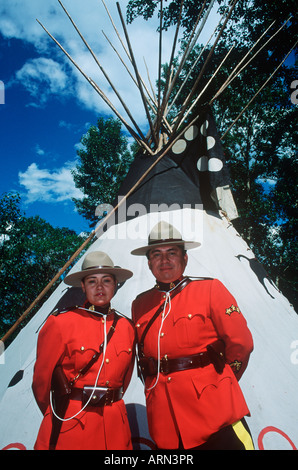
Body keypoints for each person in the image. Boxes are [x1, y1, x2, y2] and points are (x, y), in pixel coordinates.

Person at [131, 221, 254, 450]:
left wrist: (219, 384)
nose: (164, 260)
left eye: (172, 253)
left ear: (185, 259)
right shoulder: (140, 305)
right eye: (156, 254)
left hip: (216, 415)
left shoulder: (210, 289)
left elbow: (242, 344)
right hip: (167, 422)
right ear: (149, 263)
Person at [32, 251, 135, 450]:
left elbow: (125, 379)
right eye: (91, 281)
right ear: (82, 286)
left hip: (115, 426)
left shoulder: (127, 327)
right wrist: (58, 412)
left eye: (106, 280)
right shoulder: (61, 323)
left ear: (115, 284)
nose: (99, 287)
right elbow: (41, 382)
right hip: (73, 423)